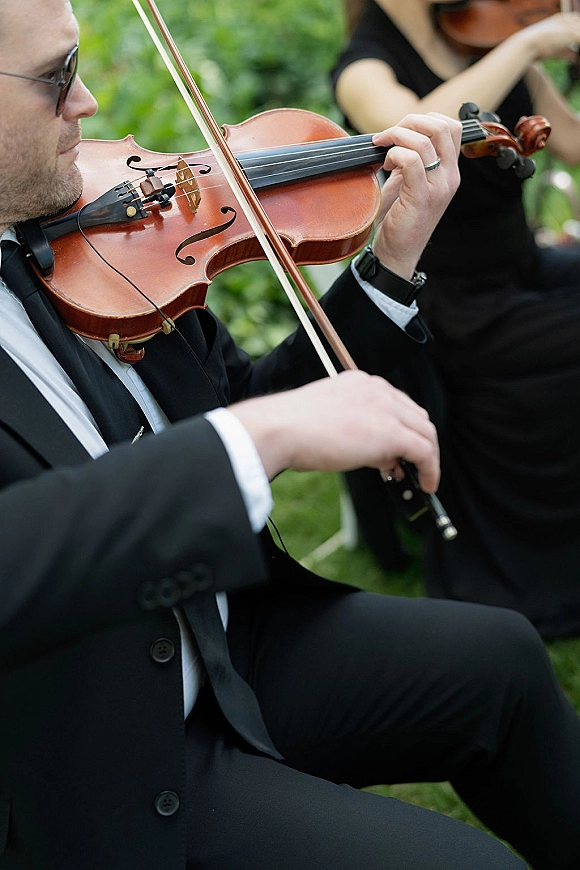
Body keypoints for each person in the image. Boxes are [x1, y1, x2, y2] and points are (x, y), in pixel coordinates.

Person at [1, 2, 579, 868]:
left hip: (229, 637)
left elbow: (250, 397)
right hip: (102, 753)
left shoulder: (99, 225)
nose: (86, 106)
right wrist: (243, 441)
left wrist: (387, 263)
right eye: (55, 78)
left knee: (500, 658)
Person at [332, 0, 580, 639]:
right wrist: (530, 45)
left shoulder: (493, 36)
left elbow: (572, 141)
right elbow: (413, 129)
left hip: (519, 269)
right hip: (445, 305)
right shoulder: (364, 66)